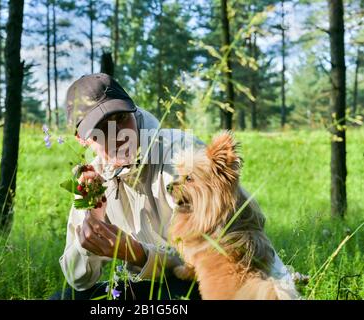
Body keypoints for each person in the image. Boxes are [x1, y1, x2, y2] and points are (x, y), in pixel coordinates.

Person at [53, 73, 291, 300]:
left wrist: (138, 254)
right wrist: (92, 224)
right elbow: (79, 280)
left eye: (121, 119)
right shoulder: (91, 181)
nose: (116, 136)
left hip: (205, 283)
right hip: (144, 285)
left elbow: (221, 256)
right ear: (81, 139)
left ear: (133, 111)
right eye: (101, 130)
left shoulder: (181, 156)